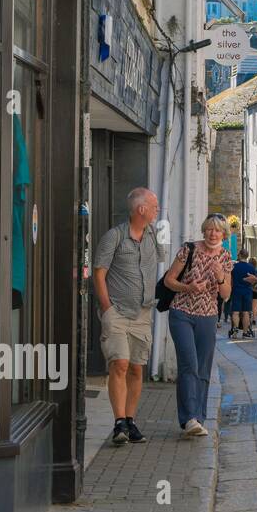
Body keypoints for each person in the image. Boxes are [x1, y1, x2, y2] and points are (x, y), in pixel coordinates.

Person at [91, 187, 165, 445]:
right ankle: (118, 421)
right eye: (154, 207)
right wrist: (107, 307)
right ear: (141, 209)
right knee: (119, 364)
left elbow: (162, 258)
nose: (157, 211)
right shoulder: (114, 237)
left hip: (143, 313)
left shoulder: (152, 235)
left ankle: (131, 421)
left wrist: (162, 232)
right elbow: (98, 273)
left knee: (136, 368)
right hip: (118, 313)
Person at [162, 215, 233, 437]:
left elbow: (226, 295)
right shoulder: (189, 250)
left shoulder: (225, 256)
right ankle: (189, 418)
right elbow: (168, 280)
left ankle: (198, 418)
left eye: (217, 230)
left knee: (203, 369)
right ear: (204, 231)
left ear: (224, 234)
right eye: (209, 229)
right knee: (188, 365)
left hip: (208, 316)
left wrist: (221, 277)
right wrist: (188, 287)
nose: (213, 234)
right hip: (181, 313)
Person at [229, 248, 257, 338]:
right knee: (246, 312)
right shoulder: (251, 267)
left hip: (236, 290)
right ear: (247, 256)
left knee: (235, 312)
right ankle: (245, 332)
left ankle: (235, 331)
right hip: (247, 291)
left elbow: (231, 280)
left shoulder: (234, 266)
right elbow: (254, 281)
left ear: (239, 255)